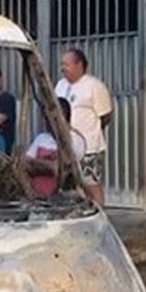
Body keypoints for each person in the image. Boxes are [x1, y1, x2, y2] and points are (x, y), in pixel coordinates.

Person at [55, 48, 112, 205]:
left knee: (91, 183)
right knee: (75, 186)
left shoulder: (94, 86)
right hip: (67, 147)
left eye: (66, 64)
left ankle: (100, 215)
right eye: (62, 64)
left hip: (89, 147)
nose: (62, 68)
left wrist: (89, 133)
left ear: (79, 64)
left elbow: (105, 116)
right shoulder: (60, 85)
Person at [25, 97, 86, 197]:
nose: (46, 121)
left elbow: (61, 169)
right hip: (36, 194)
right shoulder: (41, 138)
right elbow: (25, 163)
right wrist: (47, 165)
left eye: (50, 117)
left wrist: (36, 164)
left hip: (62, 196)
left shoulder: (75, 140)